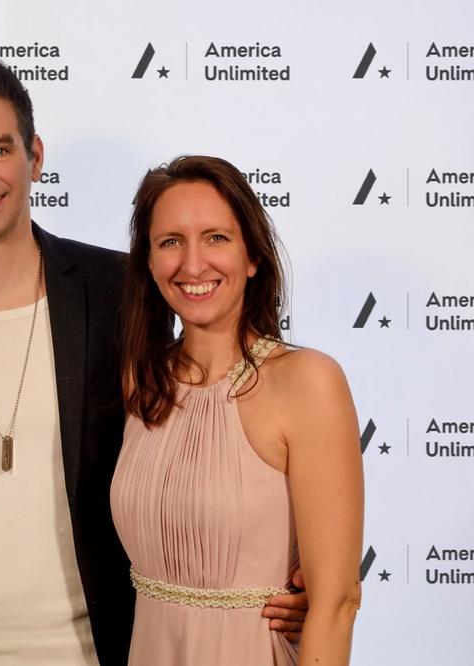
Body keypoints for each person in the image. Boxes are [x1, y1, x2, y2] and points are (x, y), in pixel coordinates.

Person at [0, 58, 308, 665]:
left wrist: (291, 566)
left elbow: (195, 439)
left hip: (96, 650)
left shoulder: (116, 288)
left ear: (35, 157)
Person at [112, 155, 364, 665]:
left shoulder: (308, 381)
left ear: (252, 257)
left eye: (216, 238)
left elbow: (336, 602)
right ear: (149, 263)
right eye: (170, 242)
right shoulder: (142, 382)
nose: (193, 264)